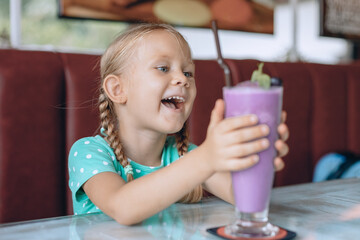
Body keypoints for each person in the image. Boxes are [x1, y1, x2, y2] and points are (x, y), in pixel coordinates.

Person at [68, 23, 289, 225]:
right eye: (163, 68)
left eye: (188, 72)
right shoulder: (89, 152)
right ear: (118, 90)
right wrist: (206, 158)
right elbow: (123, 208)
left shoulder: (186, 155)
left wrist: (256, 153)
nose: (183, 79)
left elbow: (244, 199)